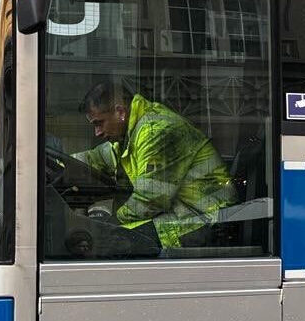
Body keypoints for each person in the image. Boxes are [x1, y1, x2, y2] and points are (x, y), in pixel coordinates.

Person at [72, 81, 235, 250]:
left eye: (99, 123)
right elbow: (93, 158)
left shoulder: (156, 131)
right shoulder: (126, 137)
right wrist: (55, 164)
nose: (97, 133)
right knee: (107, 237)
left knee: (108, 243)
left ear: (120, 112)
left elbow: (150, 200)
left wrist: (109, 222)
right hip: (179, 215)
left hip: (206, 221)